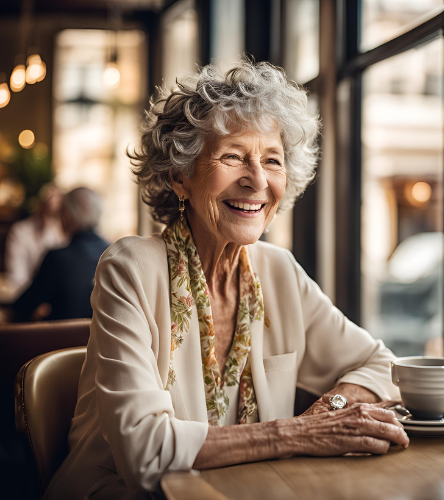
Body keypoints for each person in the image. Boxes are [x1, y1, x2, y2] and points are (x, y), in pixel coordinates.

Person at [44, 61, 408, 500]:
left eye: (271, 160)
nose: (257, 180)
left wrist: (329, 410)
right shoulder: (130, 269)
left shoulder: (279, 271)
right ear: (180, 176)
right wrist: (298, 433)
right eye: (233, 156)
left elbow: (385, 367)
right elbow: (145, 452)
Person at [12, 187, 108, 322]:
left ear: (67, 215)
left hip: (63, 341)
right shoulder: (113, 252)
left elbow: (22, 307)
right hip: (102, 341)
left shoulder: (57, 258)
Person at [5, 183, 67, 293]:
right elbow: (17, 275)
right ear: (39, 205)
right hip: (27, 297)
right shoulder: (20, 231)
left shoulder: (67, 235)